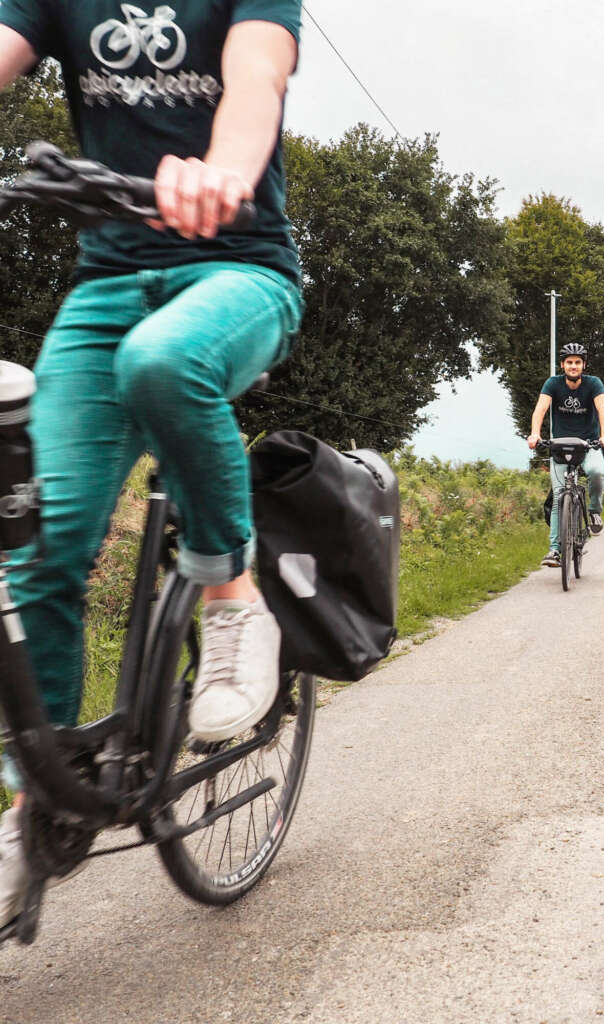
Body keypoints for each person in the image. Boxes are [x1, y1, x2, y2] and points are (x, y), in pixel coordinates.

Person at [0, 0, 303, 926]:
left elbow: (256, 76)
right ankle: (39, 796)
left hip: (238, 272)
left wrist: (223, 172)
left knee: (165, 361)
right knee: (39, 540)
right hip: (108, 283)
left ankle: (230, 599)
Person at [527, 342, 604, 567]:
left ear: (583, 365)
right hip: (560, 446)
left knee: (596, 472)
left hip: (589, 445)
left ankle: (594, 511)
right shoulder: (553, 383)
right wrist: (535, 434)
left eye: (577, 362)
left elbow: (603, 409)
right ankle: (555, 550)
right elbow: (540, 408)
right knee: (558, 498)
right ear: (563, 365)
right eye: (569, 362)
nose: (573, 366)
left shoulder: (594, 383)